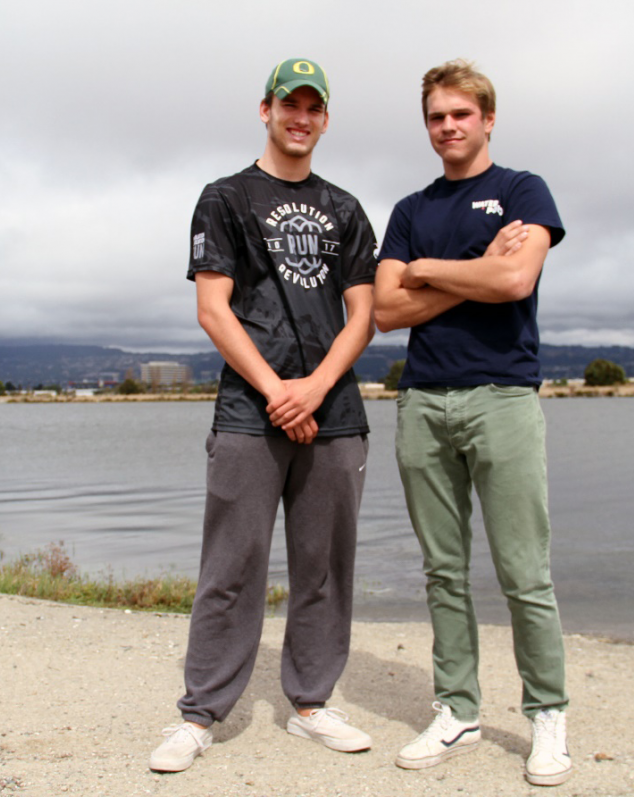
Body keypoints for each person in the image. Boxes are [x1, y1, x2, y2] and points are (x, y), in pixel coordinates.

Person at [148, 57, 378, 774]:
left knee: (323, 569)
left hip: (334, 414)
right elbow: (212, 308)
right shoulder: (224, 197)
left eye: (312, 107)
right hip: (250, 413)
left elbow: (363, 315)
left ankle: (310, 703)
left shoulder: (345, 208)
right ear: (266, 109)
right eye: (289, 104)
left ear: (325, 119)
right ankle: (198, 715)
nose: (299, 117)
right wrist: (279, 390)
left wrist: (312, 389)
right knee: (231, 566)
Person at [373, 59, 572, 786]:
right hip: (423, 402)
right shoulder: (409, 209)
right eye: (435, 116)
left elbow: (515, 279)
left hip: (503, 399)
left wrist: (424, 271)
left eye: (460, 114)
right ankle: (456, 709)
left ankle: (546, 715)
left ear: (487, 119)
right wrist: (466, 269)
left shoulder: (522, 190)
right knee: (442, 572)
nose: (447, 127)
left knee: (524, 572)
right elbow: (385, 314)